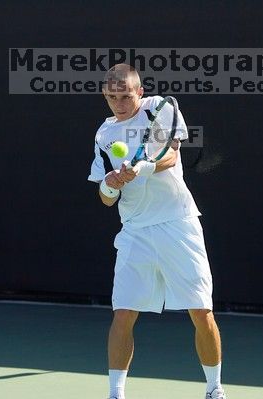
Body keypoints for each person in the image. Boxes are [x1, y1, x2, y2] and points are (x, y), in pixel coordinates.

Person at [87, 64, 226, 399]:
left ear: (140, 92)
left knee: (201, 312)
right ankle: (116, 394)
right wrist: (111, 184)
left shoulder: (157, 110)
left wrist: (142, 167)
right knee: (122, 313)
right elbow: (106, 199)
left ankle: (214, 388)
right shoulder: (104, 135)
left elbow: (170, 155)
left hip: (178, 222)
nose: (118, 103)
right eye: (111, 97)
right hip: (135, 231)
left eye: (125, 95)